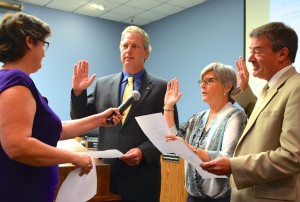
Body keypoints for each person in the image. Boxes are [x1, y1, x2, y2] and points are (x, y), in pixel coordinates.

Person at [0, 12, 122, 202]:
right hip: (20, 191)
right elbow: (17, 145)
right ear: (29, 42)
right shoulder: (17, 81)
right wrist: (73, 157)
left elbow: (55, 130)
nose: (44, 52)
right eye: (43, 44)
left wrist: (99, 119)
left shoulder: (11, 80)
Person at [70, 25, 179, 202]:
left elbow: (169, 134)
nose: (129, 50)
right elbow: (80, 119)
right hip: (106, 176)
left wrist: (143, 152)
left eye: (135, 46)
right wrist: (78, 93)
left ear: (146, 53)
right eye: (125, 46)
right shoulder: (102, 84)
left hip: (142, 180)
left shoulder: (161, 88)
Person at [201, 22, 300, 202]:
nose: (250, 58)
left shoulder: (296, 87)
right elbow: (265, 121)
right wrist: (244, 91)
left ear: (282, 54)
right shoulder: (271, 88)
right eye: (251, 51)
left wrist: (234, 165)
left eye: (258, 51)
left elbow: (292, 156)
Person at [163, 63, 247, 202]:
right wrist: (168, 106)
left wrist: (189, 149)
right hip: (193, 197)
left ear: (227, 86)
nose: (202, 85)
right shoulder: (198, 117)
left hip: (220, 198)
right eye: (202, 81)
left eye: (210, 81)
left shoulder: (235, 116)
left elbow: (227, 157)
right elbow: (174, 140)